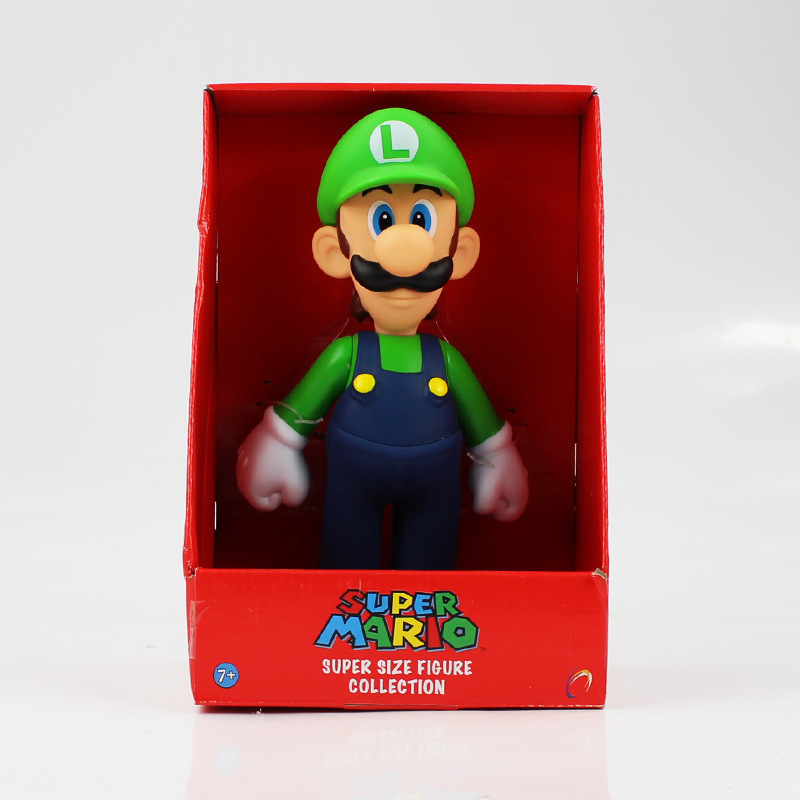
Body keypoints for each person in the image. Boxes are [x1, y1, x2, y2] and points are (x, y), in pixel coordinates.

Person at [236, 108, 528, 569]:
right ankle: (347, 607)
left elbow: (483, 425)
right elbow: (300, 410)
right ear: (333, 252)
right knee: (346, 561)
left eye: (422, 219)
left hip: (435, 485)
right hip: (354, 480)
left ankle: (423, 608)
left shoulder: (447, 360)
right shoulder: (346, 355)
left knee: (430, 567)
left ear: (461, 253)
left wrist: (497, 458)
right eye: (383, 219)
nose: (404, 252)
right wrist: (278, 443)